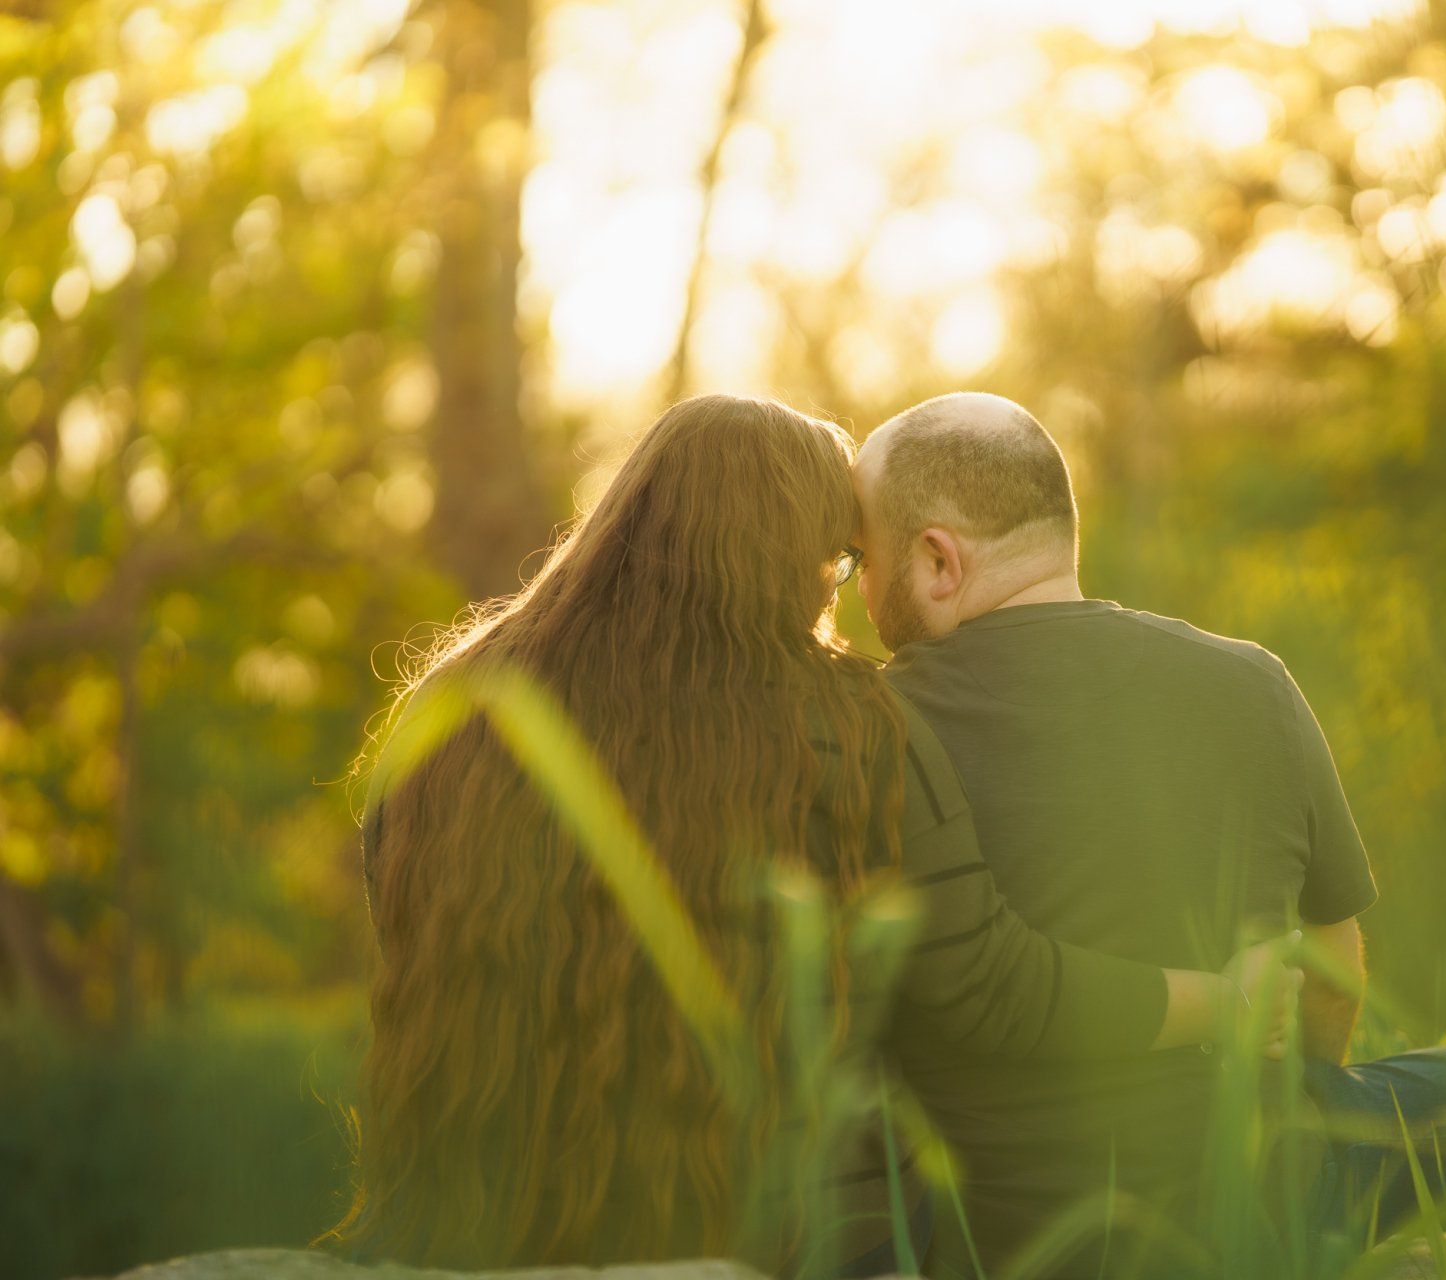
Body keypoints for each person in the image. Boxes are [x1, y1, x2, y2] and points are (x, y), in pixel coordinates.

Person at [330, 394, 1293, 1276]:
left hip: (474, 1216)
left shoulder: (453, 707)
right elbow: (986, 984)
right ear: (790, 558)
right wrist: (1220, 1000)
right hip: (784, 1232)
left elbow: (401, 914)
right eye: (839, 563)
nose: (842, 596)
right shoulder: (850, 730)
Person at [851, 391, 1446, 1275]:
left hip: (987, 1231)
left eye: (862, 557)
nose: (856, 590)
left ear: (938, 561)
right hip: (1238, 1211)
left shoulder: (871, 729)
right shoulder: (1253, 683)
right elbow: (1331, 967)